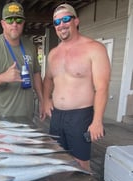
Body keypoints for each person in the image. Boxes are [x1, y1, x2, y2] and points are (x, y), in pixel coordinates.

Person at [42, 3, 111, 171]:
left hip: (80, 116)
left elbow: (102, 87)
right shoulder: (53, 54)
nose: (61, 25)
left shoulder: (94, 49)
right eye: (57, 22)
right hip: (57, 116)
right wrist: (45, 100)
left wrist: (97, 121)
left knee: (80, 164)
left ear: (76, 21)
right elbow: (48, 79)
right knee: (57, 158)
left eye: (65, 19)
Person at [0, 1, 43, 121]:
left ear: (23, 23)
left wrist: (42, 100)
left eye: (18, 20)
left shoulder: (29, 45)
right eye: (10, 20)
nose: (14, 24)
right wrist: (3, 77)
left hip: (28, 117)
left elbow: (36, 74)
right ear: (3, 24)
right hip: (2, 120)